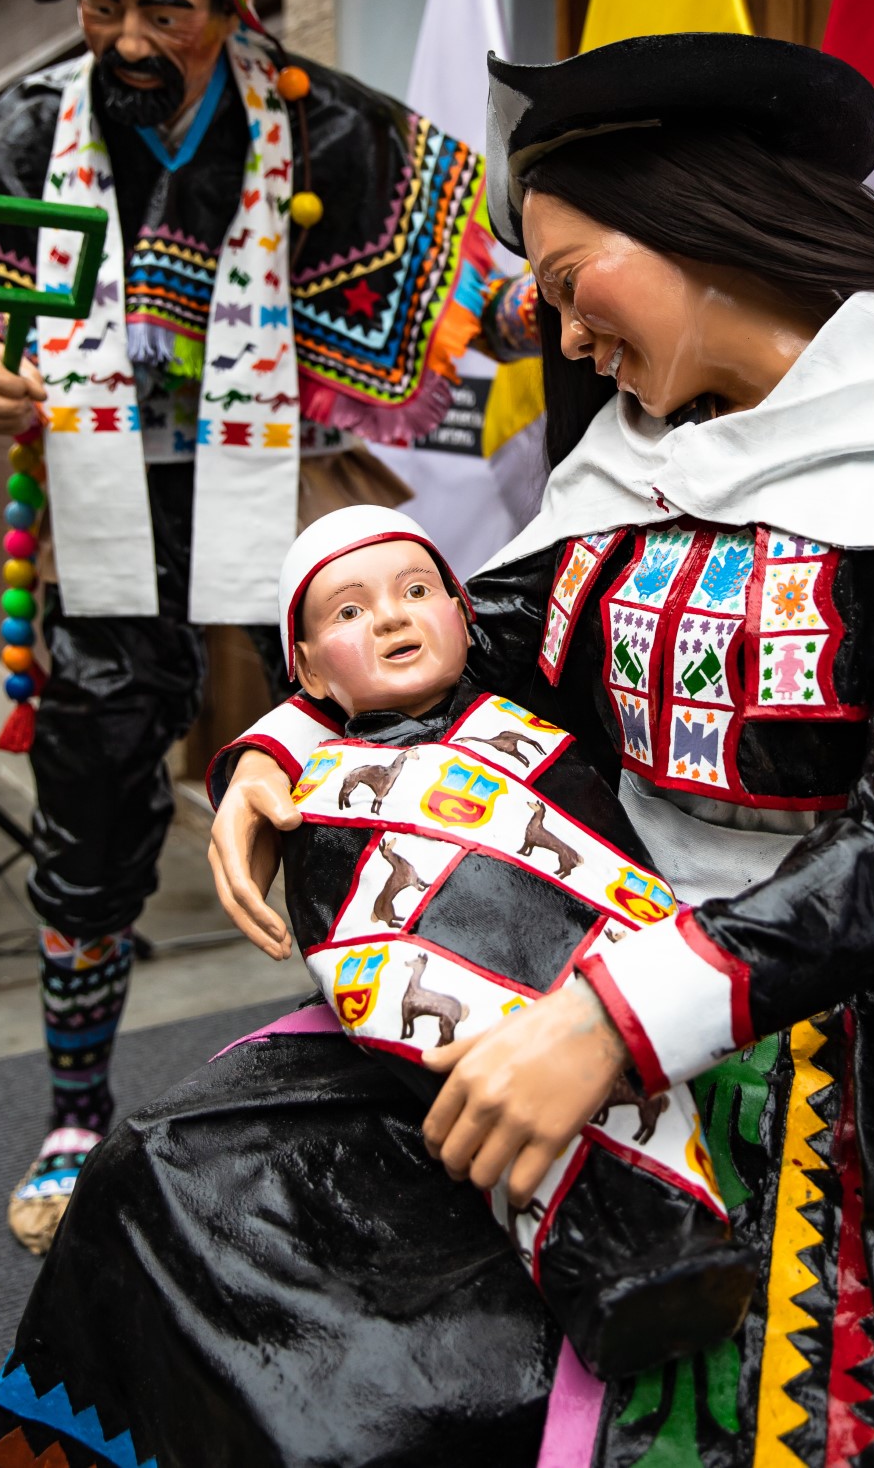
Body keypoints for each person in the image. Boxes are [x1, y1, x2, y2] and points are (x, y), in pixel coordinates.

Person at [0, 34, 874, 1468]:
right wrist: (282, 742)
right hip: (565, 950)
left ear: (700, 226)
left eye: (571, 286)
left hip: (865, 1042)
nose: (565, 342)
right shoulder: (641, 460)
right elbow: (471, 635)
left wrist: (608, 1026)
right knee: (178, 1191)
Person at [0, 0, 493, 1252]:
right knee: (98, 780)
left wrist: (543, 307)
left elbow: (460, 268)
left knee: (373, 741)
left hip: (288, 481)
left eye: (160, 7)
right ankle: (73, 1110)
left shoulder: (322, 124)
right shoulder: (16, 131)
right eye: (100, 2)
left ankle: (389, 1062)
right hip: (103, 495)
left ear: (229, 2)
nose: (125, 35)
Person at [273, 502, 756, 1377]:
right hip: (457, 1017)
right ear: (305, 668)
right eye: (348, 611)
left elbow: (614, 852)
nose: (389, 616)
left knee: (645, 1122)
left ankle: (679, 1243)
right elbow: (346, 934)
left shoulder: (534, 732)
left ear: (464, 612)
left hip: (602, 986)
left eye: (417, 590)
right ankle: (605, 1274)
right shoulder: (321, 792)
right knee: (529, 1148)